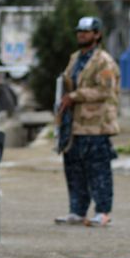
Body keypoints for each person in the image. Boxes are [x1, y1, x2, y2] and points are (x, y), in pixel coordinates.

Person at [54, 16, 120, 227]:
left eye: (87, 31)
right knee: (74, 169)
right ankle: (77, 210)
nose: (81, 35)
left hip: (96, 125)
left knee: (99, 170)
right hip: (74, 126)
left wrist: (75, 96)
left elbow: (105, 90)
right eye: (79, 31)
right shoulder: (75, 58)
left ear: (97, 34)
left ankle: (103, 211)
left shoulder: (103, 61)